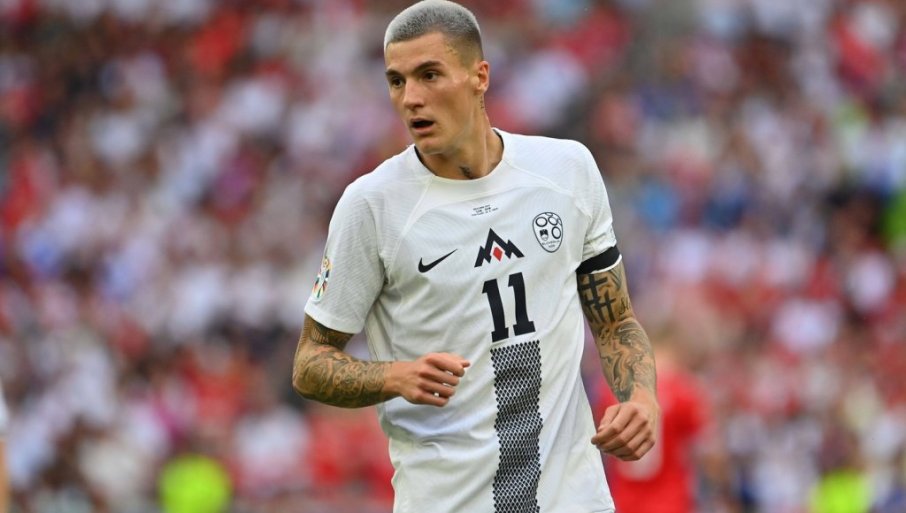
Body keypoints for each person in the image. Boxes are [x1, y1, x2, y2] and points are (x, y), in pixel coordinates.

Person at [291, 1, 660, 512]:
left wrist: (641, 398)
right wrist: (392, 376)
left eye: (429, 75)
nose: (411, 98)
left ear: (479, 76)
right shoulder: (372, 205)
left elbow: (615, 321)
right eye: (397, 81)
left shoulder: (567, 171)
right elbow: (310, 362)